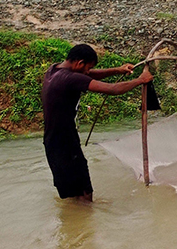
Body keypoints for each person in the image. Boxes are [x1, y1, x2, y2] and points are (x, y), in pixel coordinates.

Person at [41, 44, 153, 202]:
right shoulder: (71, 78)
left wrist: (117, 70)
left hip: (52, 143)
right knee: (85, 193)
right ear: (79, 63)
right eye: (87, 67)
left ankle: (74, 223)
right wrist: (140, 80)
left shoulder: (54, 70)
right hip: (65, 144)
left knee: (72, 194)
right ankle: (85, 221)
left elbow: (88, 75)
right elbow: (113, 89)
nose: (88, 72)